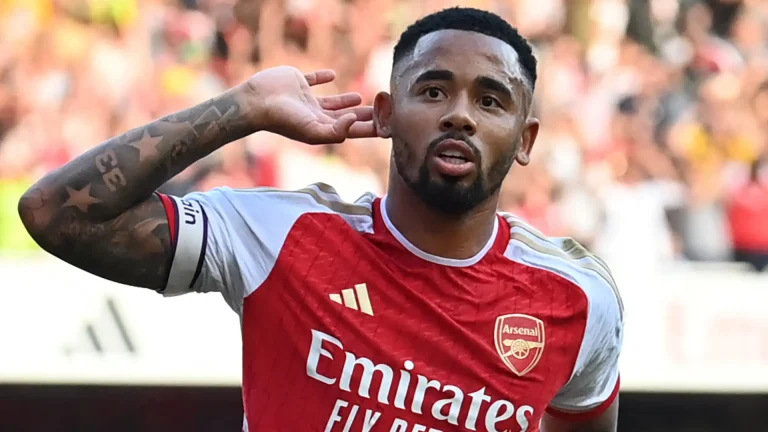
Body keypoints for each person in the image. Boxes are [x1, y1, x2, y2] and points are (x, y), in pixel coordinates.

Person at [18, 7, 623, 432]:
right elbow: (56, 214)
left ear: (525, 138)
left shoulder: (577, 298)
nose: (459, 116)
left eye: (490, 100)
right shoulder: (282, 235)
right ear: (385, 115)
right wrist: (244, 107)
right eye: (433, 91)